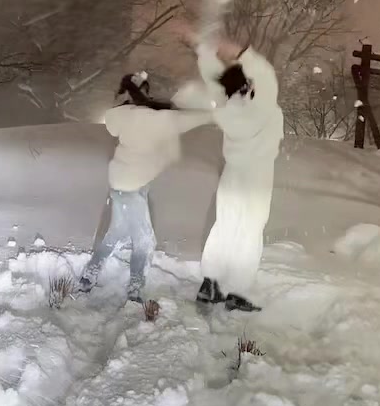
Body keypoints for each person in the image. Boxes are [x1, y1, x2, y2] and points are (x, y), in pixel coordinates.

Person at [174, 31, 284, 312]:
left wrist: (204, 52)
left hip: (232, 177)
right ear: (249, 84)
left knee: (225, 226)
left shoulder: (227, 107)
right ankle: (236, 290)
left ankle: (210, 283)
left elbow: (216, 80)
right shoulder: (260, 108)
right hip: (256, 180)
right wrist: (242, 53)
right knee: (249, 233)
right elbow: (267, 75)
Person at [79, 71, 212, 302]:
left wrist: (132, 94)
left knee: (117, 231)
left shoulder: (122, 115)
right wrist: (216, 113)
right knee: (144, 241)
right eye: (147, 90)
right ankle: (135, 289)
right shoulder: (155, 118)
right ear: (143, 91)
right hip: (132, 187)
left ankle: (89, 275)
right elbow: (190, 119)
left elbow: (112, 117)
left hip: (120, 185)